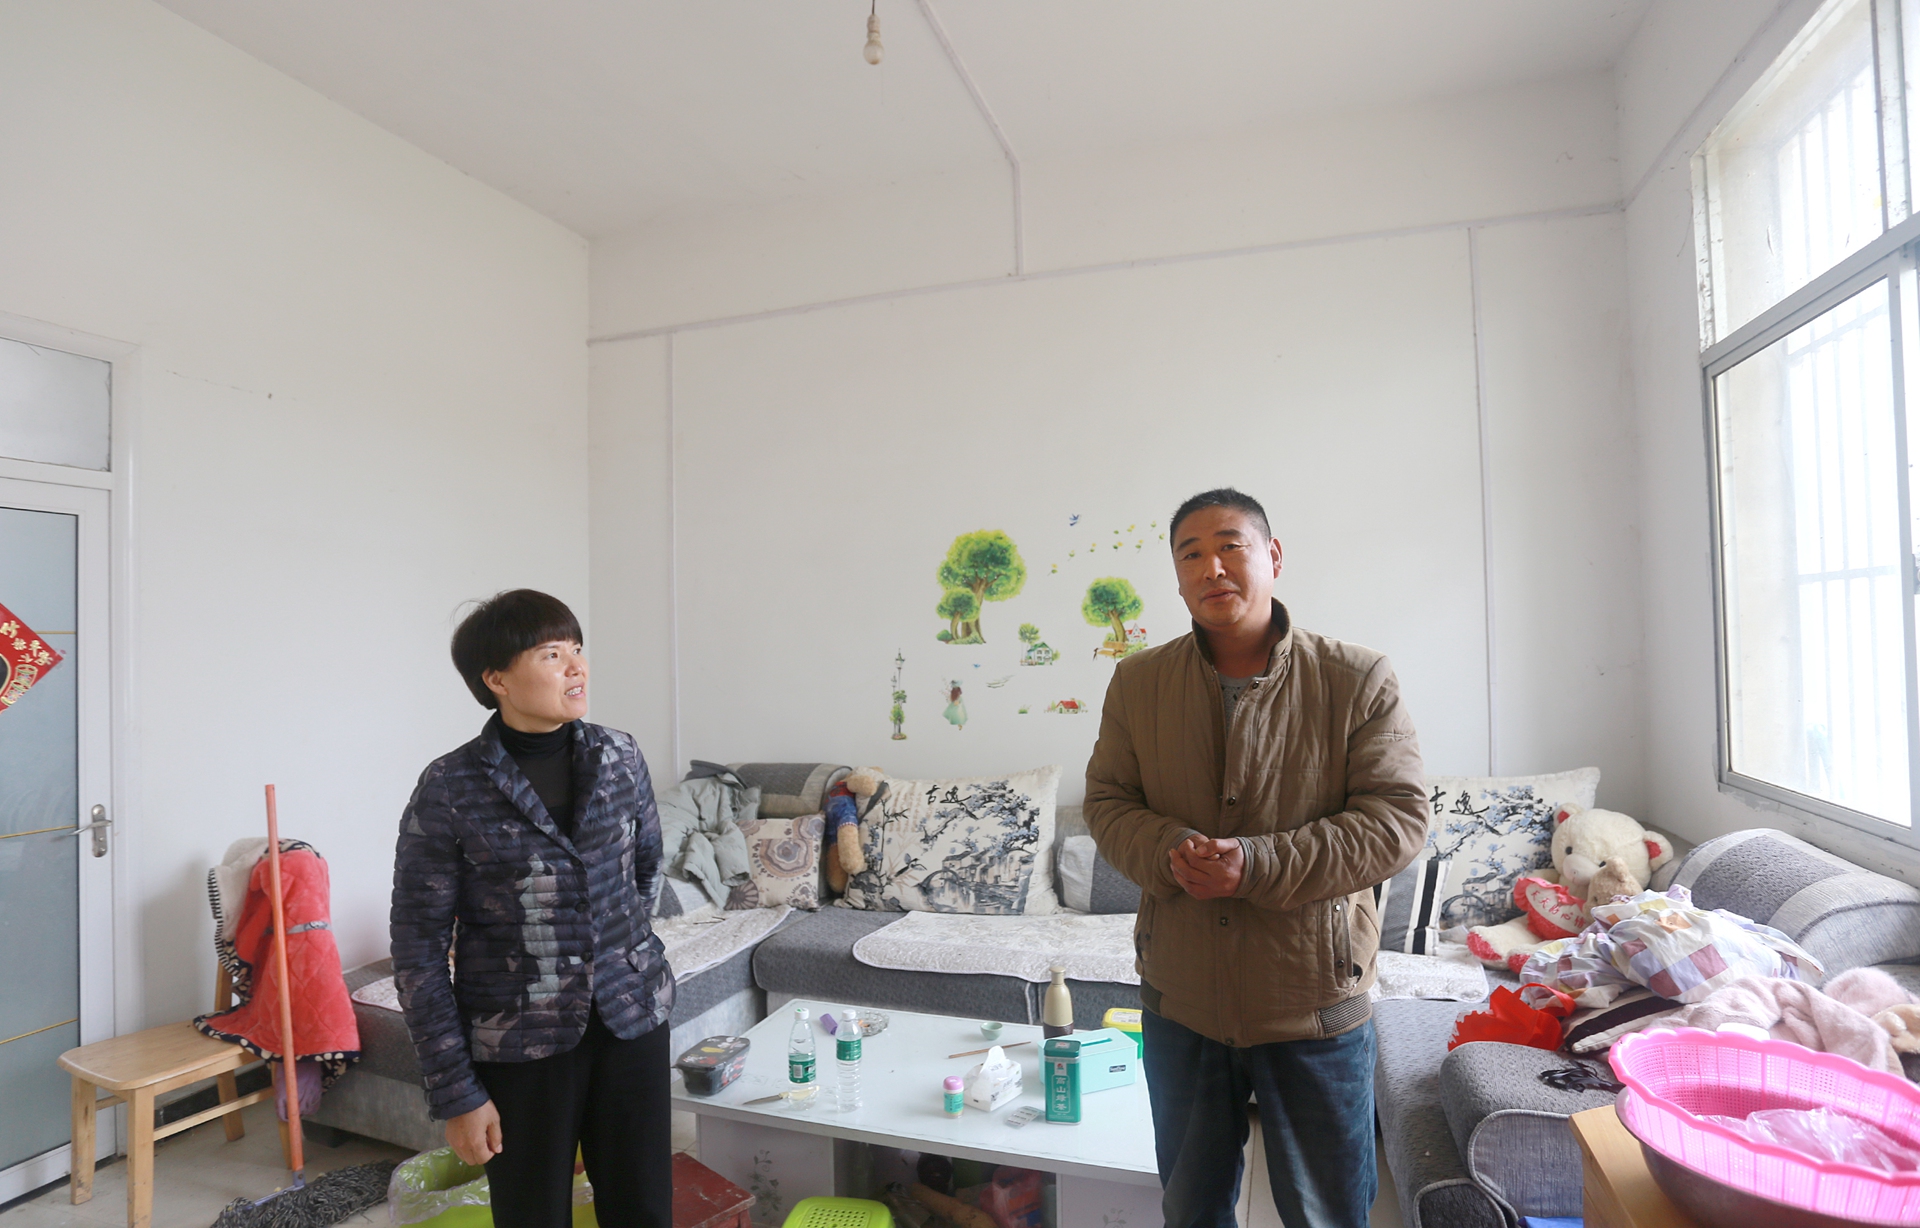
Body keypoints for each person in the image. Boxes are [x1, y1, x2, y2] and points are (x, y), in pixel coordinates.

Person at [1085, 489, 1428, 1228]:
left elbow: (1397, 819)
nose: (1212, 567)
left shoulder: (1356, 677)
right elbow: (1108, 803)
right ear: (1178, 578)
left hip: (1312, 1003)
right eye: (1191, 554)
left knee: (1327, 1213)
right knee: (1192, 1209)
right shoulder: (1138, 683)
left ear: (1272, 556)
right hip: (1181, 998)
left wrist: (1258, 863)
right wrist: (1169, 851)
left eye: (1230, 545)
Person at [391, 589, 674, 1228]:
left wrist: (622, 956)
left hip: (631, 1022)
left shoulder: (620, 756)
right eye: (552, 654)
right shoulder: (450, 787)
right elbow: (417, 950)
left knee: (646, 1211)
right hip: (520, 1045)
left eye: (577, 649)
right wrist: (456, 1091)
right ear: (496, 679)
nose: (577, 667)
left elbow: (646, 870)